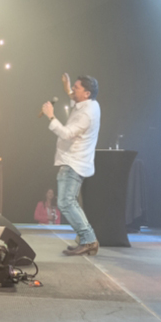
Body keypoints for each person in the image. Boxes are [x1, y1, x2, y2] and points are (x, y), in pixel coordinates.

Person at [41, 74, 101, 255]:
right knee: (69, 202)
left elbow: (67, 133)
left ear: (87, 92)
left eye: (76, 88)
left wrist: (51, 117)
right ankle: (85, 239)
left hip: (73, 161)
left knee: (66, 202)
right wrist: (67, 88)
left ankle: (89, 239)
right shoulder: (90, 104)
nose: (73, 90)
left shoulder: (87, 113)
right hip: (73, 160)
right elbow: (76, 101)